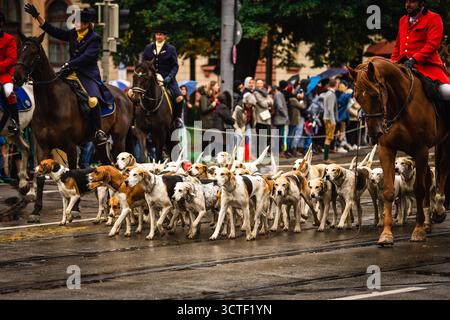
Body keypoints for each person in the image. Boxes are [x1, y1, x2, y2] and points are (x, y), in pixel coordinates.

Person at [24, 4, 111, 145]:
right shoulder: (72, 34)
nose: (75, 24)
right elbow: (54, 31)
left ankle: (98, 131)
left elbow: (88, 57)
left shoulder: (94, 38)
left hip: (87, 75)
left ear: (86, 24)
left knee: (92, 100)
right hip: (70, 72)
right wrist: (37, 17)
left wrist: (70, 63)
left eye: (78, 22)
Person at [391, 0, 450, 102]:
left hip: (427, 67)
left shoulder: (434, 18)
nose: (407, 5)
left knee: (447, 92)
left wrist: (414, 59)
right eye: (406, 2)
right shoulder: (402, 20)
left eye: (412, 2)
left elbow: (432, 45)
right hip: (403, 67)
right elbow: (398, 46)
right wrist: (392, 63)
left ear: (421, 3)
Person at [143, 29, 184, 129]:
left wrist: (169, 77)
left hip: (167, 79)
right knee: (134, 93)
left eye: (160, 34)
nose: (158, 36)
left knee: (179, 98)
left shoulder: (171, 49)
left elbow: (175, 66)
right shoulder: (148, 48)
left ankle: (177, 119)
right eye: (157, 34)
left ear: (165, 36)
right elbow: (144, 63)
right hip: (150, 78)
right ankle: (134, 118)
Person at [0, 11, 20, 135]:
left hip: (5, 73)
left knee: (8, 91)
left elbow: (12, 59)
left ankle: (15, 122)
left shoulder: (9, 39)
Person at [253, 79, 273, 155]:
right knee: (260, 137)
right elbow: (263, 104)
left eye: (261, 83)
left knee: (267, 136)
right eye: (258, 83)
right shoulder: (256, 93)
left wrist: (267, 101)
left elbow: (272, 101)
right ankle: (259, 153)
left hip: (267, 117)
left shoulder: (265, 92)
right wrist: (268, 101)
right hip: (260, 118)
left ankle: (266, 152)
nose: (259, 85)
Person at [321, 79, 339, 163]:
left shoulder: (328, 93)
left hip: (326, 117)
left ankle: (326, 157)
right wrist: (333, 121)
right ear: (335, 84)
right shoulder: (331, 94)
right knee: (328, 138)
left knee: (328, 137)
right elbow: (330, 109)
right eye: (337, 83)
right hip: (329, 118)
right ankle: (326, 158)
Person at [272, 81, 289, 157]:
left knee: (280, 136)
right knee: (280, 136)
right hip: (280, 119)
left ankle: (279, 151)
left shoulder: (279, 94)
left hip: (280, 118)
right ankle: (279, 152)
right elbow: (280, 106)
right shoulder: (279, 94)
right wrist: (285, 115)